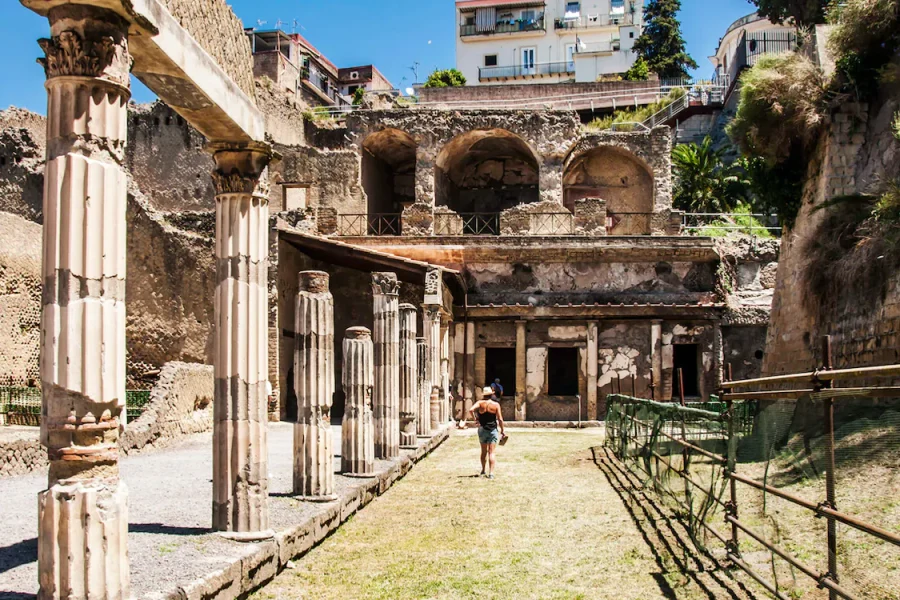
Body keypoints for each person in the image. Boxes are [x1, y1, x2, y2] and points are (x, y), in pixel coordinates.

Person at [468, 386, 505, 479]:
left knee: (483, 451)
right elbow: (500, 419)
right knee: (491, 452)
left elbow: (471, 410)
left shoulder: (480, 403)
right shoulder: (496, 405)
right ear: (491, 394)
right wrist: (502, 430)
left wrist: (475, 419)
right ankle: (491, 473)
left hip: (482, 429)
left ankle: (483, 470)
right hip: (492, 429)